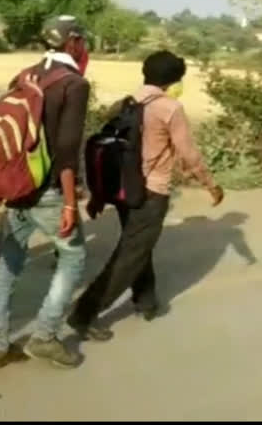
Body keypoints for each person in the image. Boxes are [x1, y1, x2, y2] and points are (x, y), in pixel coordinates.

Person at [68, 50, 224, 339]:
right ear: (174, 81)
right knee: (131, 252)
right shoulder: (170, 108)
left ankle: (146, 300)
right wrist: (210, 185)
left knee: (138, 244)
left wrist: (98, 196)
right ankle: (84, 314)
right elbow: (188, 153)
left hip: (126, 188)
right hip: (152, 191)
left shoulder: (127, 102)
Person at [0, 15, 91, 371]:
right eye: (82, 39)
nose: (84, 46)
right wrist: (71, 202)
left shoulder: (27, 74)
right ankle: (44, 337)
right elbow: (68, 148)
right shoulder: (73, 83)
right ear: (72, 41)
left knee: (10, 262)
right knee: (72, 258)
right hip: (50, 190)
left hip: (17, 185)